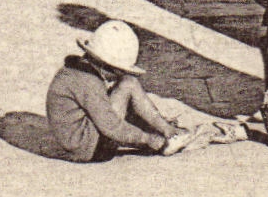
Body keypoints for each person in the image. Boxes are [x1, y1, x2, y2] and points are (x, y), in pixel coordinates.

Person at [45, 21, 209, 161]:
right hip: (90, 150)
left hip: (78, 142)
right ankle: (166, 137)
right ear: (105, 64)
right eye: (117, 70)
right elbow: (111, 126)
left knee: (127, 86)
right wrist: (148, 140)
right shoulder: (88, 82)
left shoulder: (75, 72)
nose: (117, 75)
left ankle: (166, 129)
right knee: (129, 84)